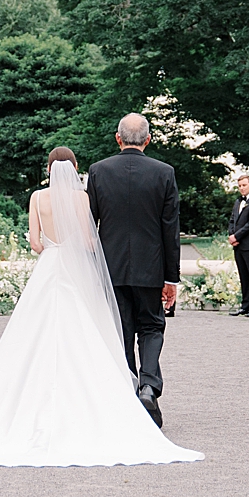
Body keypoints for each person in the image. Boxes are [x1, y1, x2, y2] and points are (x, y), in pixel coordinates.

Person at [0, 147, 201, 466]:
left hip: (49, 266)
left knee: (36, 333)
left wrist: (51, 245)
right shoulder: (81, 198)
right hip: (77, 269)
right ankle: (119, 394)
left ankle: (33, 403)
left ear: (49, 168)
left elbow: (35, 243)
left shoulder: (38, 198)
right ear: (74, 168)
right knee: (85, 333)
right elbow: (87, 241)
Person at [85, 115, 181, 427]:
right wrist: (171, 277)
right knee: (152, 327)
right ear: (148, 140)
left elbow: (89, 224)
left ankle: (127, 391)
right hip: (151, 267)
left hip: (111, 267)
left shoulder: (98, 172)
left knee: (121, 330)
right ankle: (149, 386)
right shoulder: (164, 173)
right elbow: (171, 230)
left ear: (118, 138)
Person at [225, 172, 249, 317]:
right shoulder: (237, 201)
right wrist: (231, 234)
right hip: (238, 245)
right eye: (239, 186)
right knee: (243, 276)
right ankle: (245, 305)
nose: (242, 188)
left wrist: (237, 235)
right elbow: (233, 219)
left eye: (244, 185)